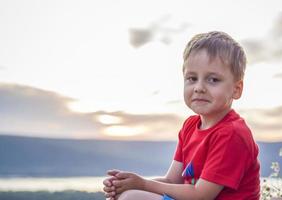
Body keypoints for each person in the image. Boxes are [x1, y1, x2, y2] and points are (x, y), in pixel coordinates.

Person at [102, 31, 260, 200]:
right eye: (192, 78)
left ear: (236, 89)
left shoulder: (232, 134)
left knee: (132, 198)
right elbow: (171, 181)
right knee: (128, 194)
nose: (199, 87)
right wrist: (128, 184)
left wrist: (143, 185)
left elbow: (200, 195)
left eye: (213, 80)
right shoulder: (190, 126)